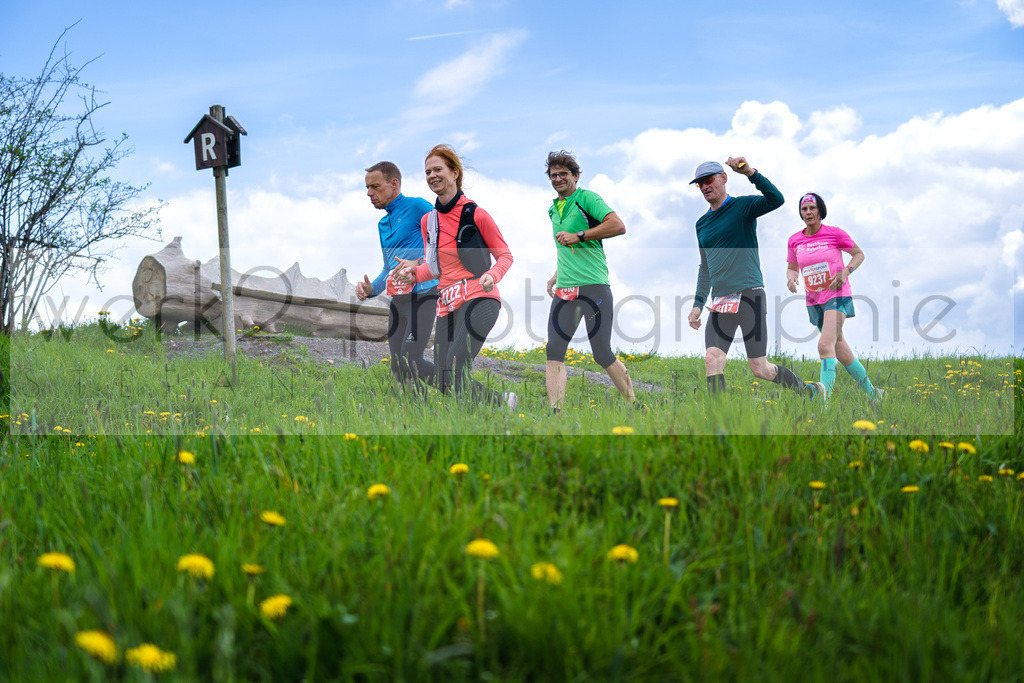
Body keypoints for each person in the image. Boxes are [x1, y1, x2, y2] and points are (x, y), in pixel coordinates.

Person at [394, 145, 516, 407]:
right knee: (444, 379)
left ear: (454, 172)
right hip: (447, 304)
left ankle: (492, 418)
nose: (432, 176)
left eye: (438, 169)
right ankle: (502, 404)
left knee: (457, 367)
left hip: (479, 299)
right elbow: (434, 269)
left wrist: (492, 275)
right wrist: (412, 274)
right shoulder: (429, 221)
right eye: (427, 172)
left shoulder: (477, 215)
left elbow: (505, 256)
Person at [686, 158, 816, 396]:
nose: (704, 186)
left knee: (760, 369)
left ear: (723, 178)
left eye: (708, 180)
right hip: (721, 302)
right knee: (712, 359)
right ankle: (719, 423)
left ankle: (809, 392)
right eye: (699, 184)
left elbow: (776, 199)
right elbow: (705, 268)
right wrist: (697, 303)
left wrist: (749, 172)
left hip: (749, 296)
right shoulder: (701, 224)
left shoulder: (742, 208)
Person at [542, 150, 635, 412]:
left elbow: (618, 225)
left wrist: (580, 235)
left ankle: (633, 404)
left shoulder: (587, 198)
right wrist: (557, 274)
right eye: (553, 175)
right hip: (565, 289)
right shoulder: (553, 209)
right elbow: (566, 247)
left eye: (563, 174)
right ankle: (556, 413)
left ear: (575, 176)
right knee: (554, 349)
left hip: (594, 286)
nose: (558, 179)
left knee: (602, 352)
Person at [786, 192, 882, 400]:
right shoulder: (794, 240)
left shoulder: (835, 233)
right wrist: (791, 278)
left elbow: (859, 254)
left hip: (837, 295)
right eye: (805, 209)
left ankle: (824, 401)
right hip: (814, 300)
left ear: (821, 210)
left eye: (813, 208)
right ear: (800, 213)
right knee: (840, 350)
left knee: (824, 345)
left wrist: (846, 271)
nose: (809, 212)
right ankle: (874, 395)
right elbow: (792, 267)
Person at [355, 161, 438, 385]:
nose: (369, 193)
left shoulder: (417, 207)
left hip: (424, 294)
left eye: (375, 187)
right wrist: (371, 289)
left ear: (394, 184)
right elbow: (388, 269)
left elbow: (443, 243)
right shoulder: (383, 224)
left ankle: (484, 398)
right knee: (398, 366)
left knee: (412, 360)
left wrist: (418, 262)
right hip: (398, 300)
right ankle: (416, 415)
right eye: (367, 188)